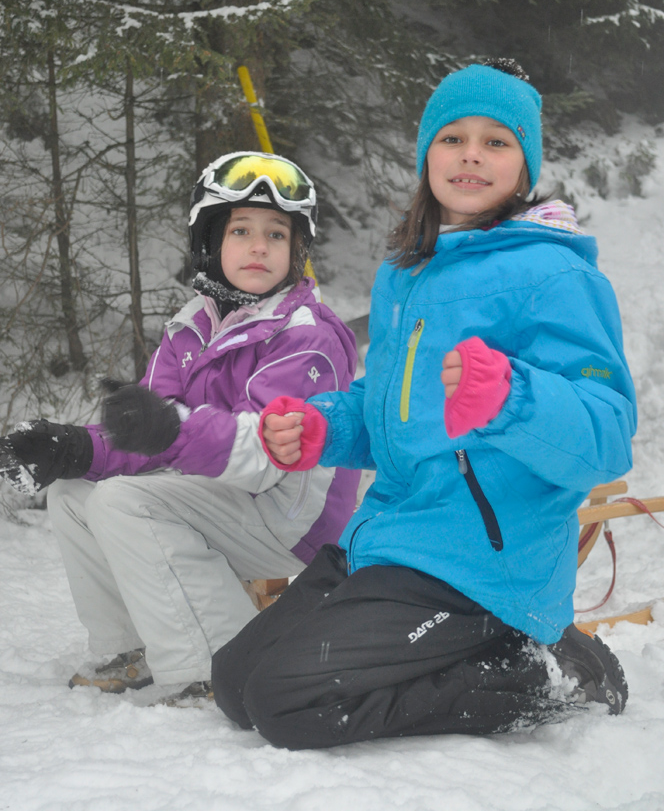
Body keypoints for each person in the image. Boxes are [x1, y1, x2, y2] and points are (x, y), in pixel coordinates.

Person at [210, 59, 637, 748]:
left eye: (496, 141)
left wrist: (510, 398)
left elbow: (607, 435)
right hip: (390, 538)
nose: (471, 154)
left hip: (481, 565)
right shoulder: (406, 271)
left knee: (285, 701)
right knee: (235, 683)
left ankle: (545, 672)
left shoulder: (554, 273)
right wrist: (327, 426)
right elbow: (390, 407)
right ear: (426, 155)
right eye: (453, 138)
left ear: (524, 165)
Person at [0, 151, 360, 702]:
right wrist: (74, 449)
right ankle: (129, 646)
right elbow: (151, 437)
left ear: (297, 251)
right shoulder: (191, 326)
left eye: (276, 234)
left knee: (125, 502)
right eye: (241, 231)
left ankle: (215, 663)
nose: (259, 246)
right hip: (222, 495)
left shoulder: (304, 336)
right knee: (74, 495)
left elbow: (265, 460)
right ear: (210, 242)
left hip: (290, 518)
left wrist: (169, 430)